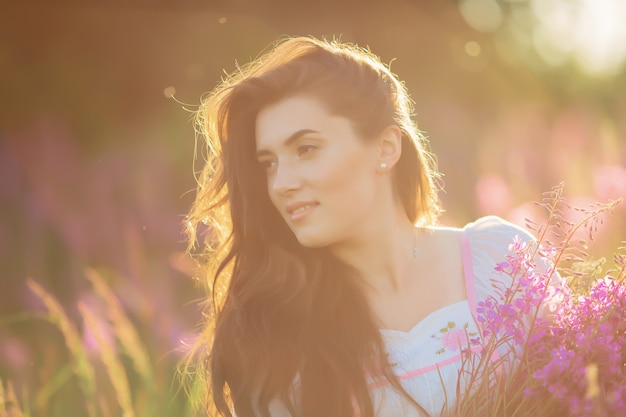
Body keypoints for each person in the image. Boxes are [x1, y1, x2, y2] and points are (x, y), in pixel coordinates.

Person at [184, 36, 547, 417]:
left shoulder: (503, 261)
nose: (281, 183)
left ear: (386, 148)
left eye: (306, 149)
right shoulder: (272, 335)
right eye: (269, 163)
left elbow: (590, 383)